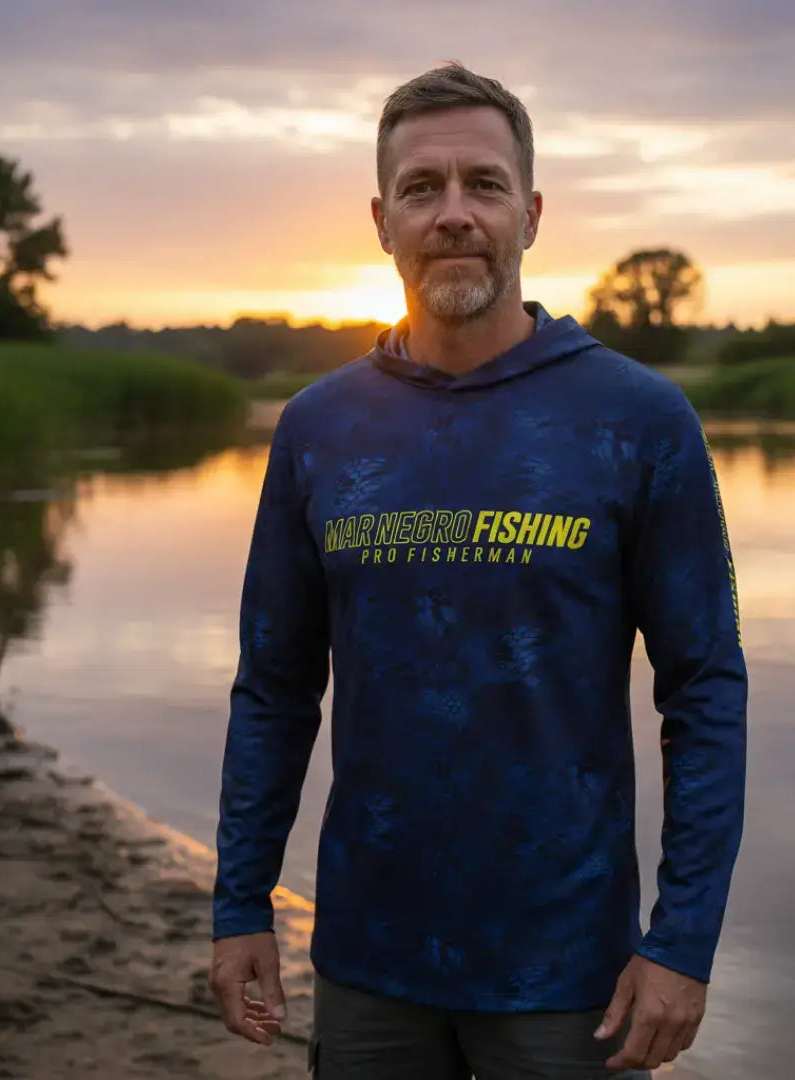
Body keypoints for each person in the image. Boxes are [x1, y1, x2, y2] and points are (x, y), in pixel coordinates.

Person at [208, 62, 747, 1079]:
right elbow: (276, 689)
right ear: (380, 219)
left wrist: (682, 938)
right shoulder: (321, 430)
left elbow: (706, 689)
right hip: (368, 965)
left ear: (532, 213)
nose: (454, 213)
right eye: (423, 187)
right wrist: (241, 902)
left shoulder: (638, 422)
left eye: (484, 185)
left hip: (565, 973)